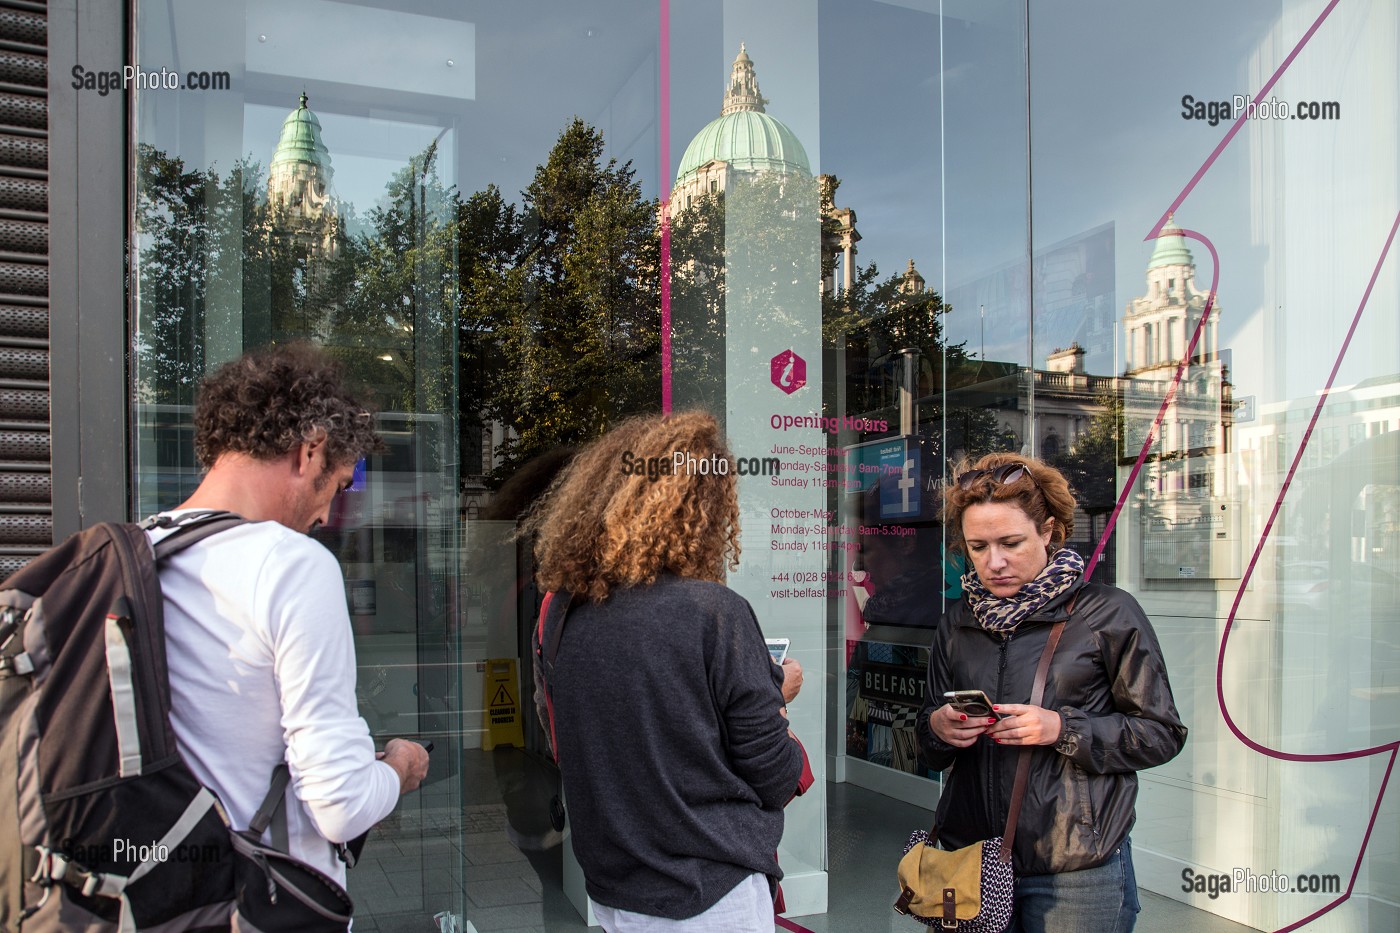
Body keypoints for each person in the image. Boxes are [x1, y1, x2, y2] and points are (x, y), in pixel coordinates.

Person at [149, 344, 429, 885]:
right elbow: (341, 804)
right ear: (310, 451)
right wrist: (399, 767)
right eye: (340, 484)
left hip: (162, 891)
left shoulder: (140, 550)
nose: (327, 514)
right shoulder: (290, 564)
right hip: (260, 899)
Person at [526, 411, 804, 932]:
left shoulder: (561, 613)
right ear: (701, 511)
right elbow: (777, 777)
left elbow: (579, 738)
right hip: (712, 896)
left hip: (614, 893)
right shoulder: (714, 613)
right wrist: (777, 693)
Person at [916, 453, 1187, 933]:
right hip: (969, 854)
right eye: (977, 547)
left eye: (1011, 542)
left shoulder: (1107, 614)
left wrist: (1063, 729)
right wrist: (938, 727)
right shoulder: (956, 622)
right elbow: (930, 741)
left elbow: (1161, 732)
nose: (993, 562)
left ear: (1048, 530)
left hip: (1075, 866)